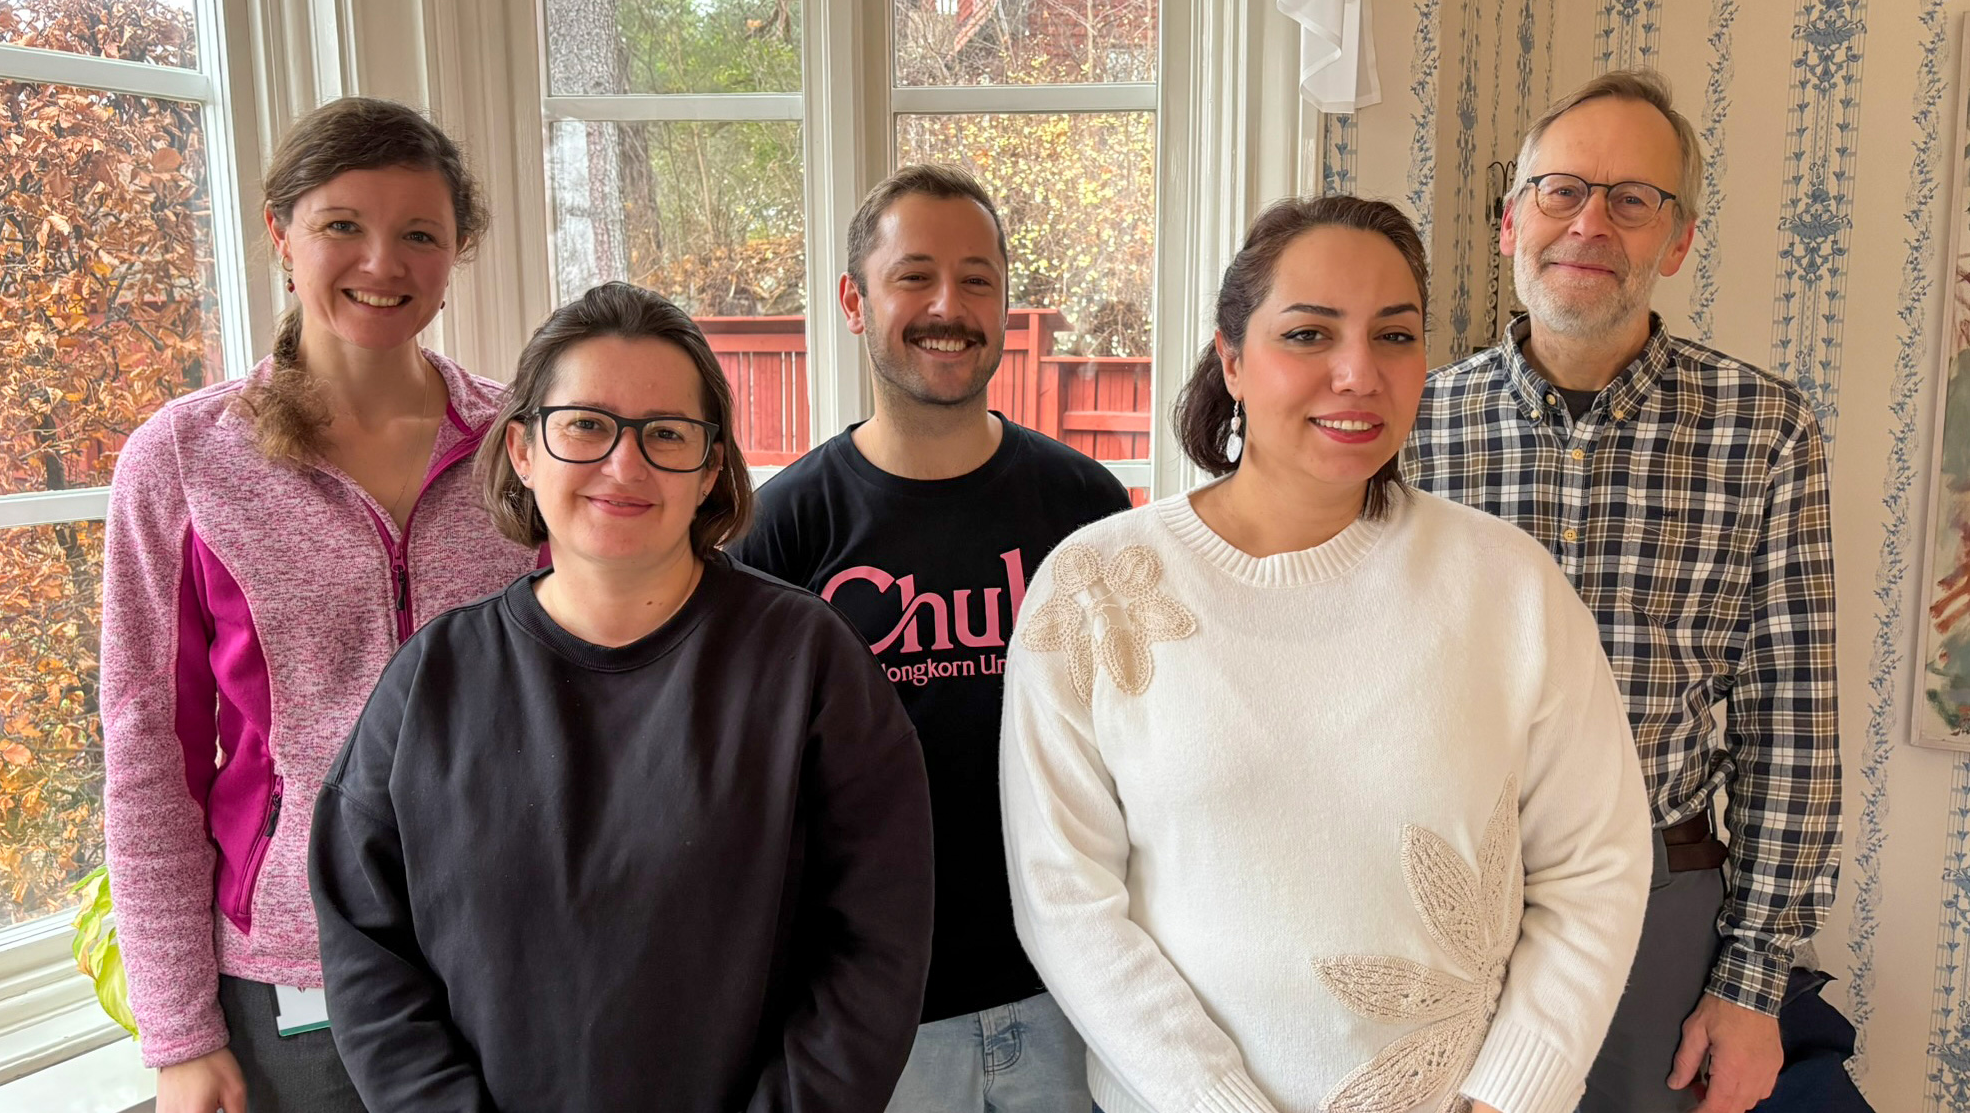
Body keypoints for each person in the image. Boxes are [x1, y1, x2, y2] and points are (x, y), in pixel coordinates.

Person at [1000, 195, 1653, 1113]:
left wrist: (1507, 1096)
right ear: (1231, 358)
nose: (1357, 374)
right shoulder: (1096, 587)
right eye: (1307, 335)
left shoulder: (1508, 587)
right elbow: (1063, 897)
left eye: (1394, 337)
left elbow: (1595, 866)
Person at [308, 281, 935, 1112]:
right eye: (585, 426)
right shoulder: (433, 680)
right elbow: (366, 952)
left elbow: (876, 943)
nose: (624, 464)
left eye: (667, 434)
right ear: (523, 449)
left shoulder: (806, 661)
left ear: (711, 468)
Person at [1402, 69, 1840, 1113]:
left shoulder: (1764, 430)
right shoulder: (1410, 422)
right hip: (1434, 885)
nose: (1589, 223)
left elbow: (1792, 724)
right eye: (1561, 191)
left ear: (1676, 242)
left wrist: (1751, 987)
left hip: (1659, 899)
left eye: (1631, 200)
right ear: (1513, 220)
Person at [99, 97, 538, 1113]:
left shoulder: (523, 444)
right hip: (294, 977)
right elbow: (147, 755)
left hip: (507, 950)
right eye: (343, 224)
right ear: (279, 233)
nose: (382, 264)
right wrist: (178, 1031)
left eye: (419, 234)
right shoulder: (184, 460)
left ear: (454, 252)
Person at [729, 163, 1129, 1113]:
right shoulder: (784, 529)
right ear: (853, 300)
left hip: (1070, 996)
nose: (948, 305)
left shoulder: (1088, 509)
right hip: (877, 1018)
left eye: (978, 278)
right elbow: (752, 793)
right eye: (913, 275)